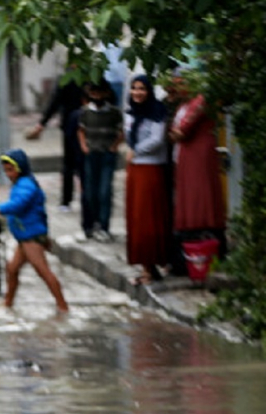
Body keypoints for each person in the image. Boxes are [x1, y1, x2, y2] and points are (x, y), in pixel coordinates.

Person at [0, 149, 69, 312]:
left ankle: (62, 305)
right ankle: (8, 303)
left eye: (11, 170)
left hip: (31, 236)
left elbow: (19, 204)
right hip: (25, 236)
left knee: (43, 271)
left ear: (20, 168)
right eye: (6, 171)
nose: (8, 174)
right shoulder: (22, 183)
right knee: (12, 268)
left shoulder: (26, 185)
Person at [168, 79, 227, 257]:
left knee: (200, 195)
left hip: (198, 154)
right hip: (187, 154)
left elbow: (181, 130)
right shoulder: (185, 104)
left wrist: (173, 132)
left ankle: (204, 238)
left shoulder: (200, 101)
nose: (177, 89)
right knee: (190, 195)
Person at [124, 74, 171, 285]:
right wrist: (133, 152)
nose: (137, 93)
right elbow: (127, 137)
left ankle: (152, 268)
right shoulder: (130, 113)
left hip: (151, 169)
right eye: (134, 88)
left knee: (149, 218)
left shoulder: (158, 112)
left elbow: (157, 140)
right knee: (136, 218)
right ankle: (145, 267)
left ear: (149, 91)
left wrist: (136, 151)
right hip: (135, 170)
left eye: (142, 88)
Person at [26, 73, 84, 210]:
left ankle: (67, 201)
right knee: (78, 164)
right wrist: (42, 124)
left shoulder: (68, 78)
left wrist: (42, 124)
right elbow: (55, 102)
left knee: (70, 164)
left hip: (75, 126)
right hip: (82, 126)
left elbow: (55, 102)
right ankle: (75, 200)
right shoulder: (88, 76)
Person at [77, 80, 123, 242]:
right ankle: (92, 224)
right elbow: (81, 130)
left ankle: (104, 226)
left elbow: (121, 131)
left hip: (106, 154)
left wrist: (114, 146)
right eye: (93, 93)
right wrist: (84, 146)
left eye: (99, 93)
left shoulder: (114, 113)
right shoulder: (85, 112)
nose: (96, 97)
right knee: (90, 192)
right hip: (91, 155)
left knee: (105, 191)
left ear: (106, 94)